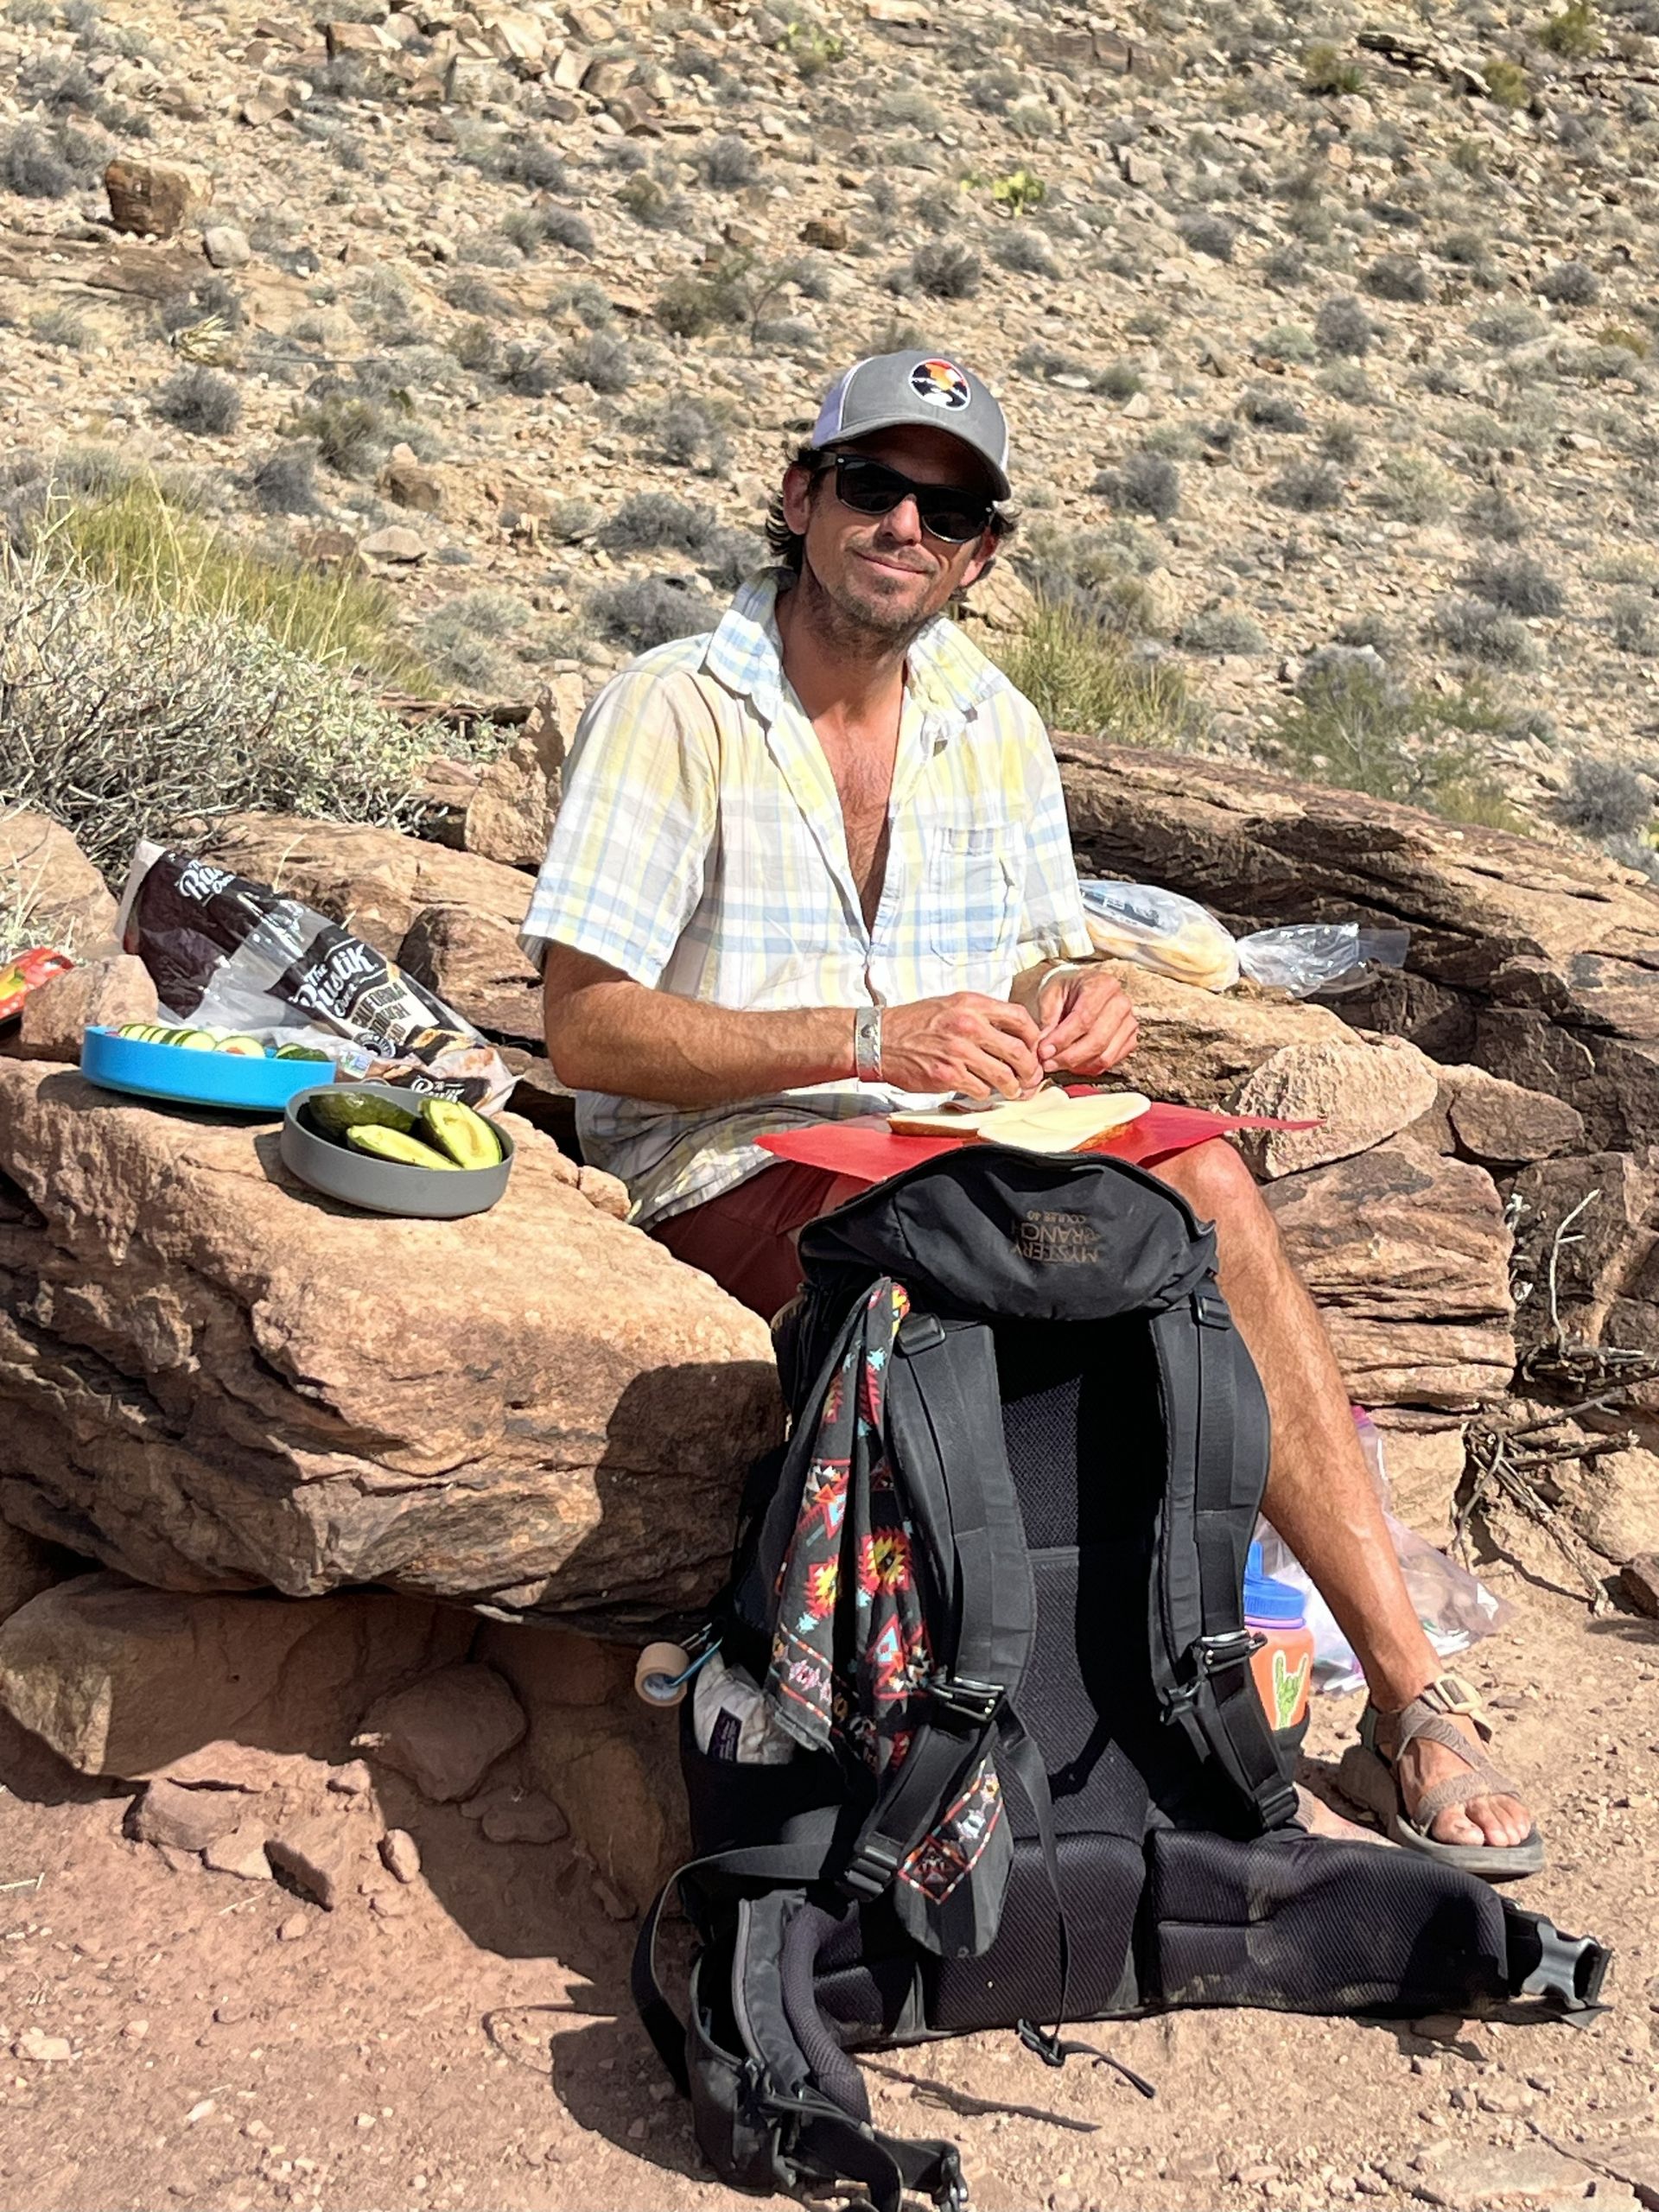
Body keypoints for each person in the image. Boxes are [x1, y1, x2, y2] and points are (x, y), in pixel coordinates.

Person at [522, 349, 1542, 1879]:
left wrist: (1084, 1002)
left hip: (961, 1145)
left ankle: (1407, 1692)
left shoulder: (987, 719)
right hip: (742, 1164)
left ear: (982, 552)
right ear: (800, 499)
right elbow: (586, 1024)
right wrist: (868, 1035)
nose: (905, 527)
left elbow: (1049, 945)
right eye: (874, 485)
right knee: (1000, 1294)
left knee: (1202, 1174)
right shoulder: (672, 709)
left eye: (951, 508)